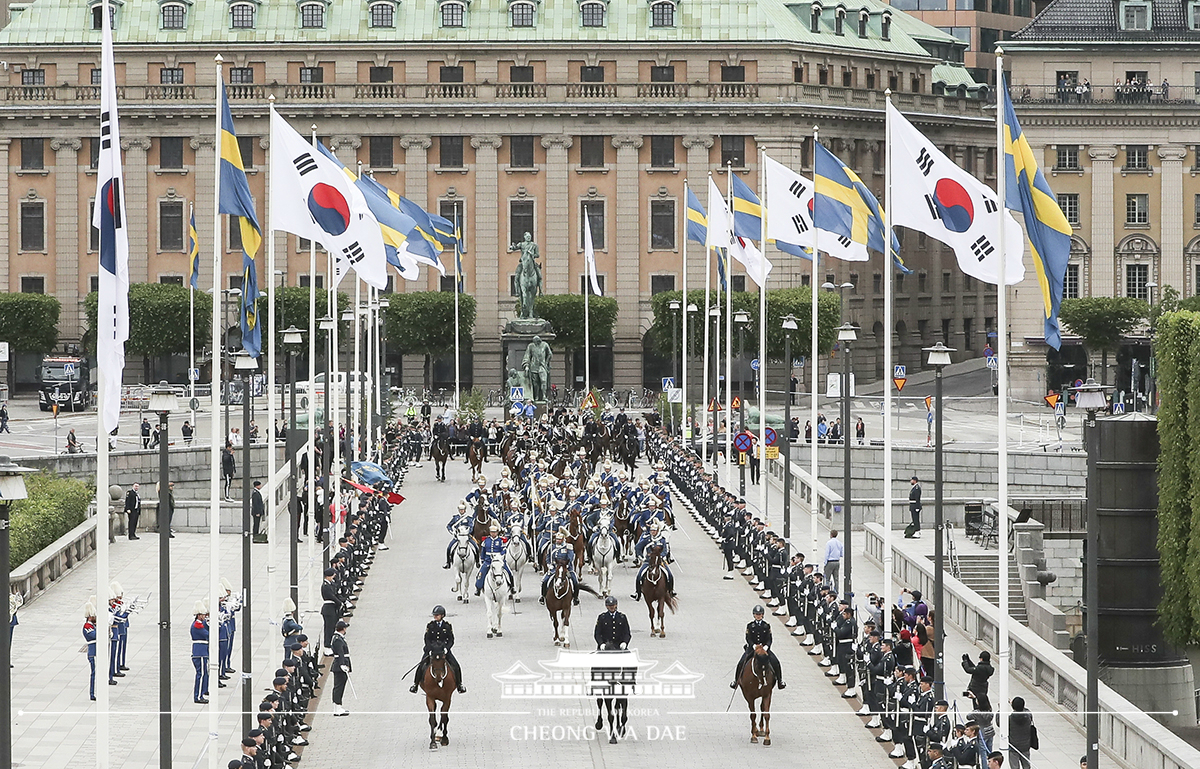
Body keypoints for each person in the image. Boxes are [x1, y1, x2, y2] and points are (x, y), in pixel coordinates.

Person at [411, 605, 466, 694]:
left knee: (456, 665)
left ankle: (459, 685)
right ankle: (415, 684)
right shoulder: (430, 625)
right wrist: (429, 648)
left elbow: (451, 639)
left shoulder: (447, 626)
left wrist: (447, 648)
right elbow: (427, 639)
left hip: (443, 650)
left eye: (437, 615)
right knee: (421, 666)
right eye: (434, 615)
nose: (435, 616)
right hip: (431, 650)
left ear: (442, 615)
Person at [730, 605, 786, 689]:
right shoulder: (750, 626)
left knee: (775, 661)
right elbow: (748, 638)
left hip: (763, 649)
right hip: (753, 648)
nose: (758, 616)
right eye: (756, 614)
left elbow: (769, 639)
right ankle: (736, 681)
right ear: (754, 615)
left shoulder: (766, 626)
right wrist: (753, 646)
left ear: (763, 615)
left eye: (760, 614)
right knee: (741, 662)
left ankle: (780, 680)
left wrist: (766, 647)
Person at [330, 620, 352, 716]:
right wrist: (342, 664)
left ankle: (338, 706)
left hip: (340, 664)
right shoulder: (338, 639)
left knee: (339, 686)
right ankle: (337, 706)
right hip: (339, 666)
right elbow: (340, 653)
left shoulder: (338, 638)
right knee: (339, 686)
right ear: (343, 629)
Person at [191, 600, 210, 704]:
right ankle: (198, 695)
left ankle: (202, 692)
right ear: (199, 615)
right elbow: (207, 634)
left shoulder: (200, 624)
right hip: (200, 651)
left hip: (201, 651)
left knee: (203, 673)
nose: (204, 616)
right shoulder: (197, 625)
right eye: (203, 615)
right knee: (201, 674)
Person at [1007, 696, 1034, 769]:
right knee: (1026, 766)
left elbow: (999, 722)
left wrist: (1000, 709)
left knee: (1014, 766)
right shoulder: (1028, 716)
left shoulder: (1010, 719)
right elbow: (1026, 710)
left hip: (1013, 746)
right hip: (1025, 745)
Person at [83, 601, 98, 701]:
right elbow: (95, 635)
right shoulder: (87, 627)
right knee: (94, 673)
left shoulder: (93, 625)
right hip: (93, 652)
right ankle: (92, 693)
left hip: (97, 651)